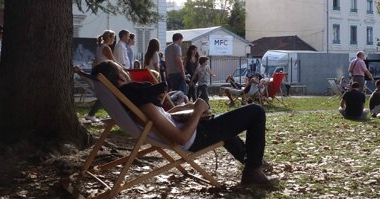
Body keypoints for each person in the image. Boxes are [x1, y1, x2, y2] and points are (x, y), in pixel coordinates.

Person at [91, 60, 277, 187]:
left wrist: (183, 110)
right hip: (194, 138)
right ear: (121, 78)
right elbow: (180, 138)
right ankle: (253, 170)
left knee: (223, 126)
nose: (127, 71)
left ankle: (253, 163)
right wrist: (197, 111)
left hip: (192, 131)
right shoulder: (140, 100)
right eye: (124, 70)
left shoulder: (130, 100)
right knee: (256, 112)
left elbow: (160, 117)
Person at [86, 30, 117, 122]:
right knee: (107, 94)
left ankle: (94, 114)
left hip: (99, 72)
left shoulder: (99, 47)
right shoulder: (106, 48)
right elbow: (113, 61)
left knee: (106, 95)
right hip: (106, 73)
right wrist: (122, 69)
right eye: (113, 38)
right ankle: (92, 114)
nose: (114, 40)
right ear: (109, 38)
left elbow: (96, 60)